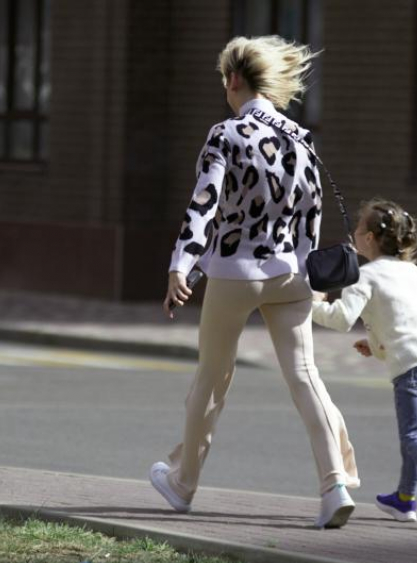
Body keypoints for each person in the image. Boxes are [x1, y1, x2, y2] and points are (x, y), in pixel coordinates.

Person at [149, 36, 360, 529]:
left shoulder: (225, 133)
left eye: (224, 78)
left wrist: (182, 264)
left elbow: (204, 203)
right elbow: (312, 212)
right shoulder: (303, 138)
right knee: (305, 377)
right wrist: (310, 274)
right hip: (291, 274)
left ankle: (183, 486)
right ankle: (335, 486)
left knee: (212, 378)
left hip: (233, 272)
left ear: (235, 80)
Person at [312, 199, 417, 530]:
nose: (353, 234)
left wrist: (311, 306)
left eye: (356, 229)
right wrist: (378, 346)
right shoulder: (414, 272)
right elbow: (410, 321)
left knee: (413, 435)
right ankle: (404, 499)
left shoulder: (364, 275)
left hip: (411, 368)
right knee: (415, 434)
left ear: (369, 237)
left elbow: (341, 319)